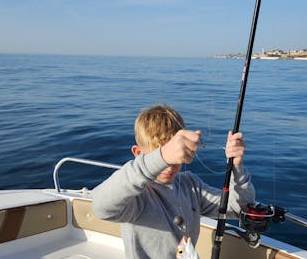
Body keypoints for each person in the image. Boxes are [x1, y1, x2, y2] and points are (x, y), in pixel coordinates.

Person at [92, 104, 255, 258]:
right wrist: (162, 156)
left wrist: (237, 167)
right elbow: (100, 206)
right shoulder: (136, 197)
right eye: (162, 160)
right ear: (137, 152)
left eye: (174, 158)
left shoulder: (191, 185)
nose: (169, 167)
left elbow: (239, 207)